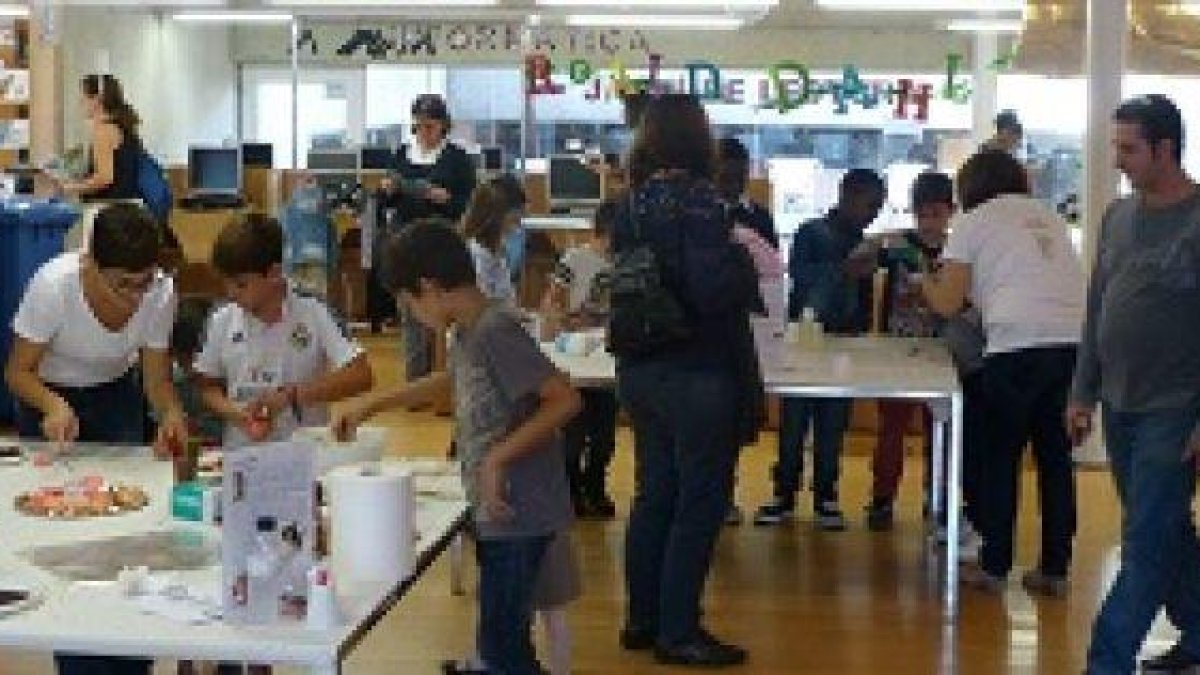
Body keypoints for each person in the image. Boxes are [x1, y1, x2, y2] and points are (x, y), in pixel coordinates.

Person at [334, 221, 581, 675]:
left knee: (504, 645)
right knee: (502, 636)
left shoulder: (494, 330)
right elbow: (455, 379)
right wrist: (376, 401)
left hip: (517, 510)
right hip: (501, 511)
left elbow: (564, 398)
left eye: (408, 302)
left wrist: (496, 459)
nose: (409, 312)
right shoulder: (470, 331)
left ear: (429, 287)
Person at [3, 202, 187, 675]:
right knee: (65, 537)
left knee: (127, 530)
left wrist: (170, 413)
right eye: (120, 283)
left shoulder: (159, 292)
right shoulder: (53, 286)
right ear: (89, 263)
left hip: (115, 397)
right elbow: (18, 373)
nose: (133, 297)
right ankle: (79, 657)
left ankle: (129, 652)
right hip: (50, 400)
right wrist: (51, 404)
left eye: (143, 281)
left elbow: (156, 380)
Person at [614, 95, 759, 667]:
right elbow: (708, 291)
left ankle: (641, 620)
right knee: (699, 502)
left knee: (654, 494)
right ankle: (679, 630)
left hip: (640, 366)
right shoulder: (702, 203)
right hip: (697, 369)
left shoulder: (628, 204)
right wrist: (741, 266)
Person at [1071, 95, 1200, 675]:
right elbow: (1098, 305)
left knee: (1146, 537)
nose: (1118, 160)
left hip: (1175, 409)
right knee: (1164, 525)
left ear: (1165, 149)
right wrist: (1081, 391)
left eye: (1128, 149)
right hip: (1120, 403)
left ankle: (1107, 661)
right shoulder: (1117, 217)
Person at [923, 149, 1084, 596]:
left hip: (1015, 345)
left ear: (969, 189)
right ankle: (1054, 569)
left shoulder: (972, 222)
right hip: (1073, 344)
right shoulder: (1048, 216)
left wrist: (926, 282)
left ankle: (994, 566)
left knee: (1000, 458)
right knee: (1055, 460)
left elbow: (949, 303)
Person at [753, 169, 885, 530]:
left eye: (878, 208)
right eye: (870, 204)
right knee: (794, 422)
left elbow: (861, 296)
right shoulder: (811, 232)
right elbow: (798, 273)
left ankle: (827, 494)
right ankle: (784, 492)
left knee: (834, 423)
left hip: (845, 341)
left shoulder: (865, 241)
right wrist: (844, 270)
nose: (873, 213)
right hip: (804, 338)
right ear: (847, 195)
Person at [195, 213, 373, 448]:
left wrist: (293, 397)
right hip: (241, 454)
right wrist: (239, 415)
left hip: (305, 455)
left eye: (240, 284)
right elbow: (207, 386)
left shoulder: (314, 310)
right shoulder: (221, 318)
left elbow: (361, 375)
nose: (230, 293)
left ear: (274, 273)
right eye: (225, 283)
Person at [865, 172, 951, 531]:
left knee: (941, 428)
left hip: (942, 351)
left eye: (937, 213)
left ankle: (939, 496)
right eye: (923, 214)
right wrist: (875, 244)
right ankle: (883, 497)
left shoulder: (957, 250)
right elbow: (863, 261)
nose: (930, 222)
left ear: (951, 212)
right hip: (898, 348)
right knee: (892, 428)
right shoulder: (898, 245)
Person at [387, 94, 478, 381]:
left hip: (440, 245)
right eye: (418, 127)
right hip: (406, 243)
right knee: (411, 311)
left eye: (429, 126)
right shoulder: (403, 154)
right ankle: (416, 379)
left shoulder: (457, 159)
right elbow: (390, 203)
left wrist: (443, 198)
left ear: (443, 126)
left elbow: (468, 205)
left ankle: (442, 379)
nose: (423, 133)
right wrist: (389, 191)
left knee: (442, 315)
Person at [542, 198, 618, 518]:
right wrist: (565, 320)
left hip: (608, 359)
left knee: (604, 434)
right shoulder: (574, 259)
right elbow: (552, 304)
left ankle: (595, 483)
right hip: (575, 359)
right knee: (572, 432)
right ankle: (571, 487)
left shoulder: (626, 264)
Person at [715, 137, 778, 526]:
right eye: (726, 174)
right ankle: (716, 494)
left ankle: (728, 492)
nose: (733, 182)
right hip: (712, 323)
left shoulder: (759, 216)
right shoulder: (700, 216)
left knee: (737, 412)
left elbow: (771, 270)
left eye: (739, 174)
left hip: (749, 323)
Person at [462, 174, 526, 305]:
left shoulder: (496, 252)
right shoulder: (474, 259)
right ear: (494, 220)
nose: (517, 228)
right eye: (514, 220)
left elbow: (507, 302)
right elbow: (484, 315)